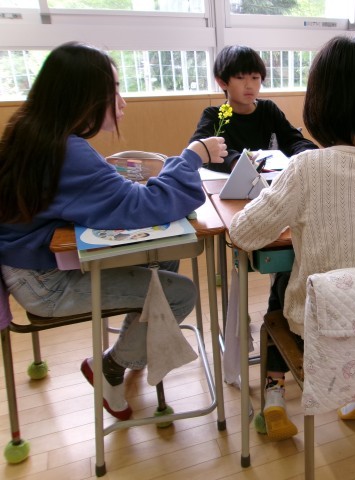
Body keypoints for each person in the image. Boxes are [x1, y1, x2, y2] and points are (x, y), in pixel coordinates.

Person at [0, 41, 228, 420]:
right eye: (113, 91)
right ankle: (109, 365)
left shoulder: (34, 131)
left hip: (31, 267)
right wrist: (192, 155)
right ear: (83, 97)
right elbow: (145, 206)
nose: (121, 102)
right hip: (44, 283)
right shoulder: (67, 151)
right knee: (181, 294)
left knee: (164, 259)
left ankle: (132, 348)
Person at [228, 35, 355, 440]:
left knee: (283, 283)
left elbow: (243, 233)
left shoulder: (308, 167)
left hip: (323, 326)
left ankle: (273, 394)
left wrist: (289, 212)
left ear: (320, 103)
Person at [189, 45, 317, 173]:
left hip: (269, 180)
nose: (249, 85)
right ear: (222, 82)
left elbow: (293, 140)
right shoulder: (213, 115)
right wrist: (235, 162)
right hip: (226, 183)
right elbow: (198, 149)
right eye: (240, 77)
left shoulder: (268, 109)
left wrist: (309, 154)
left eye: (255, 78)